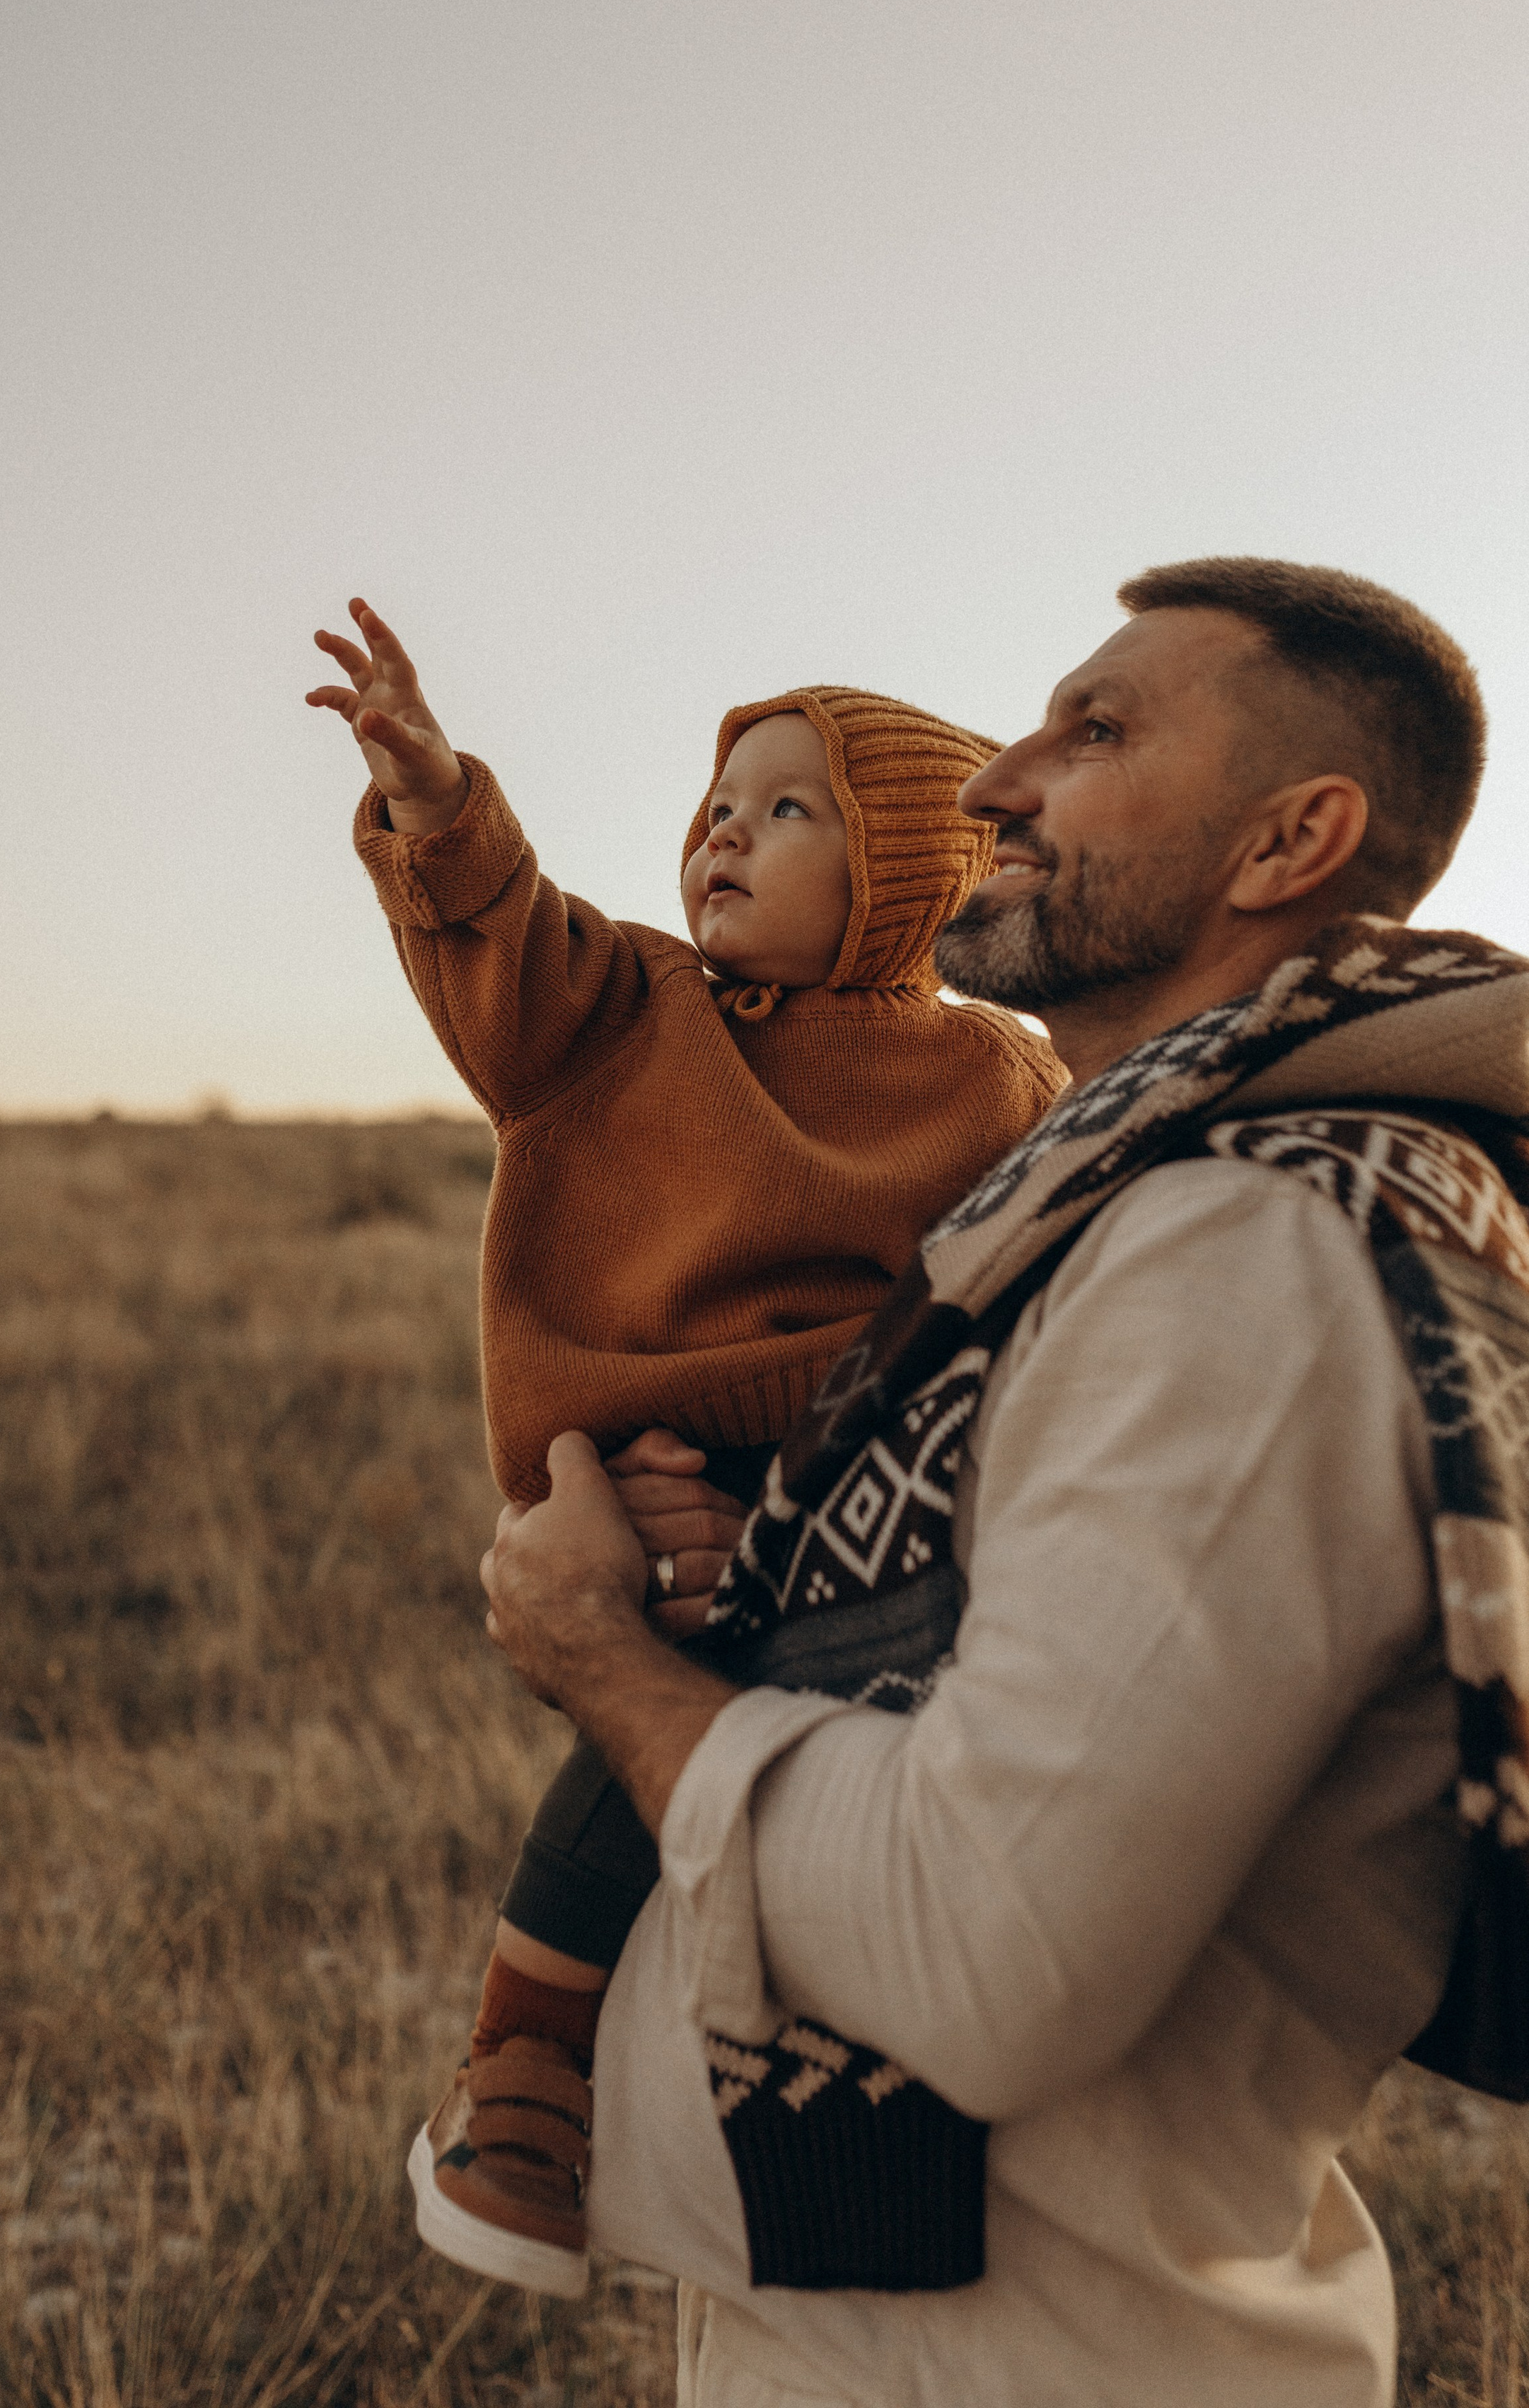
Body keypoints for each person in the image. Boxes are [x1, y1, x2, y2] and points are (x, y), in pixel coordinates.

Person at [479, 557, 1529, 2407]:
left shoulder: (1248, 1251)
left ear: (1292, 837)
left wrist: (607, 1659)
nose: (991, 784)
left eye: (1096, 730)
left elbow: (988, 1960)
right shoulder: (1103, 1206)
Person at [306, 599, 1064, 2291]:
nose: (723, 827)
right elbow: (499, 934)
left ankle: (834, 2154)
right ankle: (520, 2062)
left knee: (815, 1758)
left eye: (789, 807)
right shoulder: (629, 1010)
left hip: (872, 1484)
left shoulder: (993, 1077)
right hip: (641, 1474)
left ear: (908, 878)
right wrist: (439, 808)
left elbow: (1033, 1293)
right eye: (718, 801)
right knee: (680, 1685)